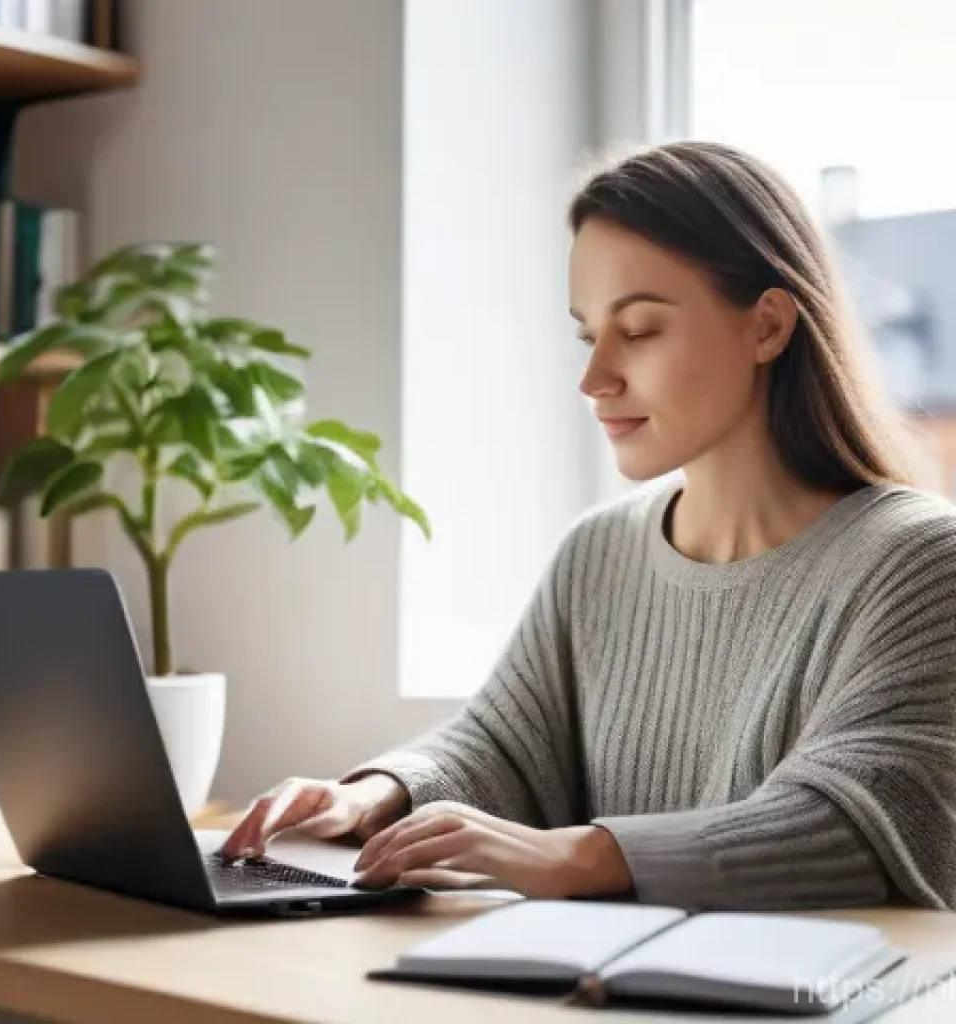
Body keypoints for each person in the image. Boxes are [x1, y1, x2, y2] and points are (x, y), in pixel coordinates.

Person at [222, 141, 956, 911]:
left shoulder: (918, 562)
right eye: (587, 335)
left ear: (768, 327)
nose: (594, 378)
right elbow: (504, 747)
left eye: (638, 331)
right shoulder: (599, 552)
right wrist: (378, 795)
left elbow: (879, 816)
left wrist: (584, 856)